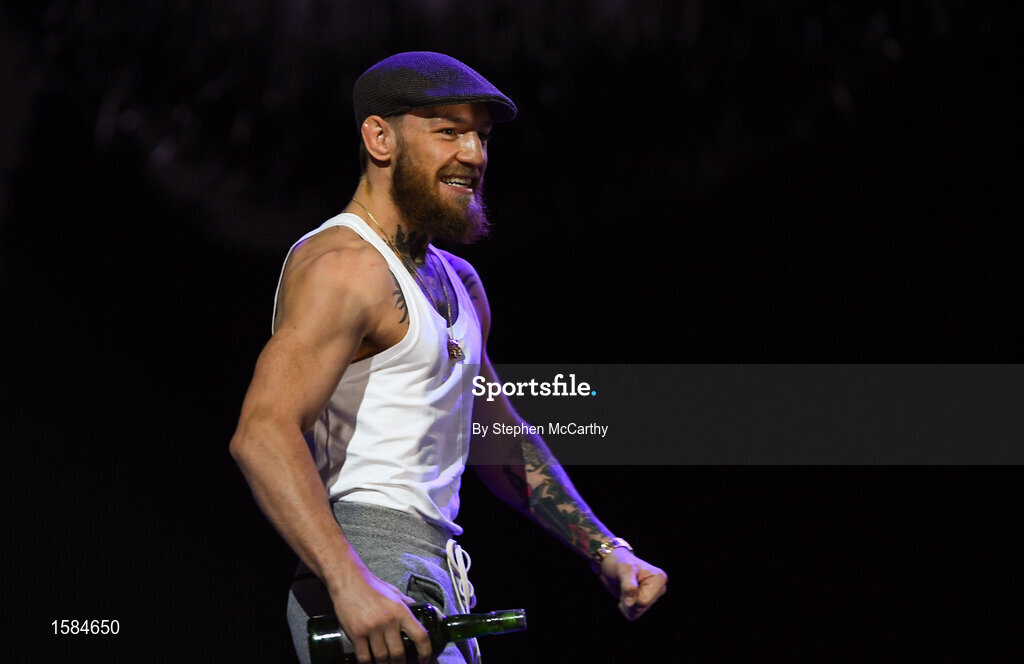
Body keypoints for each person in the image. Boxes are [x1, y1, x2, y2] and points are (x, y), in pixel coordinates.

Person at [229, 51, 668, 664]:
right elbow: (263, 431)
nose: (474, 155)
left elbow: (493, 435)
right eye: (448, 131)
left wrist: (604, 548)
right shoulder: (343, 265)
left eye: (481, 136)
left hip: (436, 576)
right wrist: (349, 580)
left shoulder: (460, 282)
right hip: (369, 563)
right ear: (380, 137)